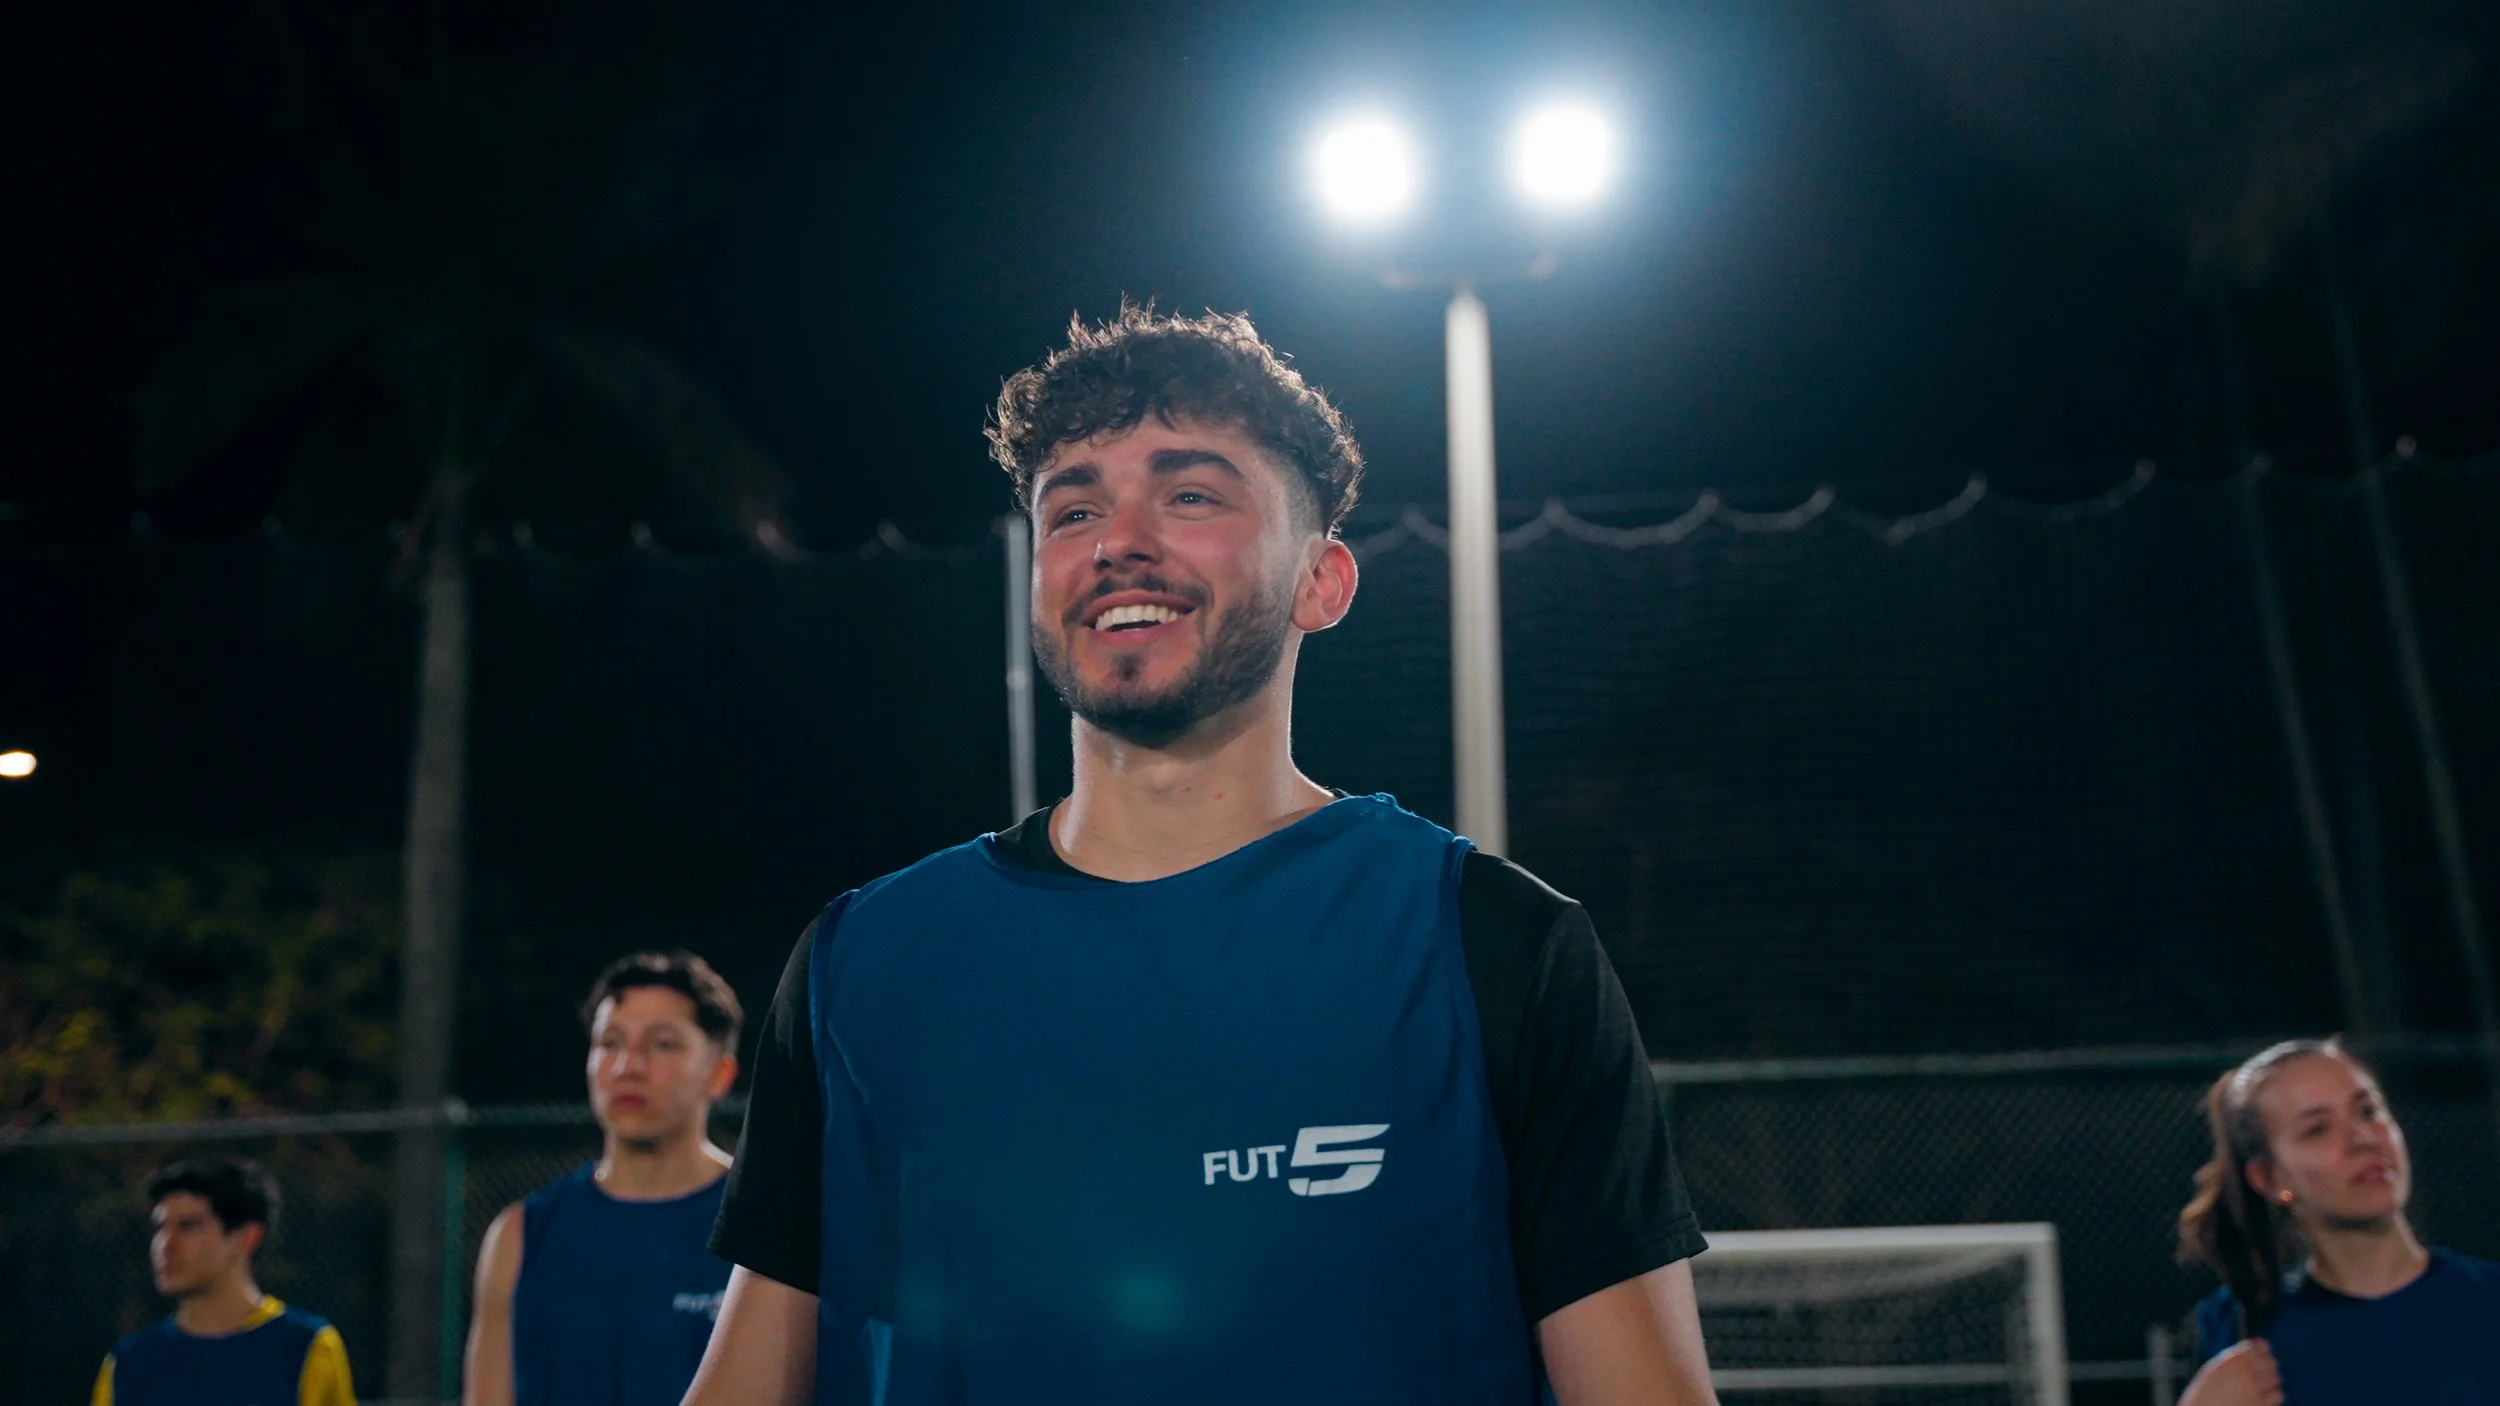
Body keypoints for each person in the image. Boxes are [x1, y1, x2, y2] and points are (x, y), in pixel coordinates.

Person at [685, 306, 1718, 1405]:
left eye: (1190, 494)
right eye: (1072, 507)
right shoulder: (863, 958)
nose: (1118, 539)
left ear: (1321, 581)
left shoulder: (1491, 940)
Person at [464, 951, 742, 1406]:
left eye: (662, 1044)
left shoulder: (761, 1225)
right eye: (610, 1042)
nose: (627, 1067)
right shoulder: (520, 1236)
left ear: (719, 1073)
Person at [2176, 1036, 2500, 1405]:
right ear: (2270, 1179)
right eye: (2318, 1129)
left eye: (2368, 1111)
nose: (2363, 1139)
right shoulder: (2237, 1332)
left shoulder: (2489, 1303)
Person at [93, 1157, 356, 1406]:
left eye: (188, 1226)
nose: (166, 1245)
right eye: (160, 1228)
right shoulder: (127, 1364)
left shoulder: (306, 1347)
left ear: (246, 1237)